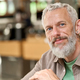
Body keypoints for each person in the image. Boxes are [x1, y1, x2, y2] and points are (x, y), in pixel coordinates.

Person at [21, 2, 80, 80]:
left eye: (62, 24)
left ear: (77, 26)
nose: (55, 33)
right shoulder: (47, 59)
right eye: (49, 28)